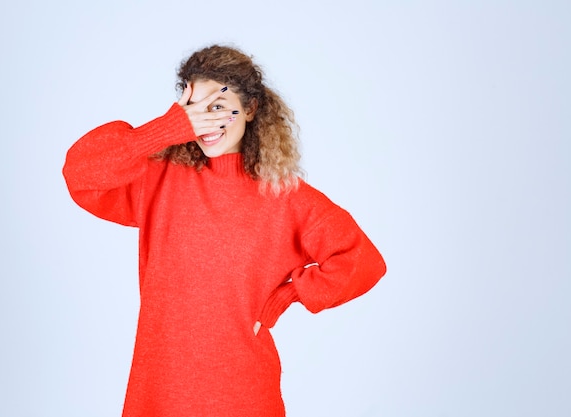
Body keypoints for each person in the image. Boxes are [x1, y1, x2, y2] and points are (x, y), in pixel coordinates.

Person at [63, 44, 386, 417]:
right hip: (160, 384)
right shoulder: (158, 178)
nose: (204, 122)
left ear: (250, 109)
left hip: (242, 389)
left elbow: (363, 261)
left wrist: (291, 294)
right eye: (193, 109)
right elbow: (81, 172)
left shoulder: (287, 197)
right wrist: (167, 129)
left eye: (218, 107)